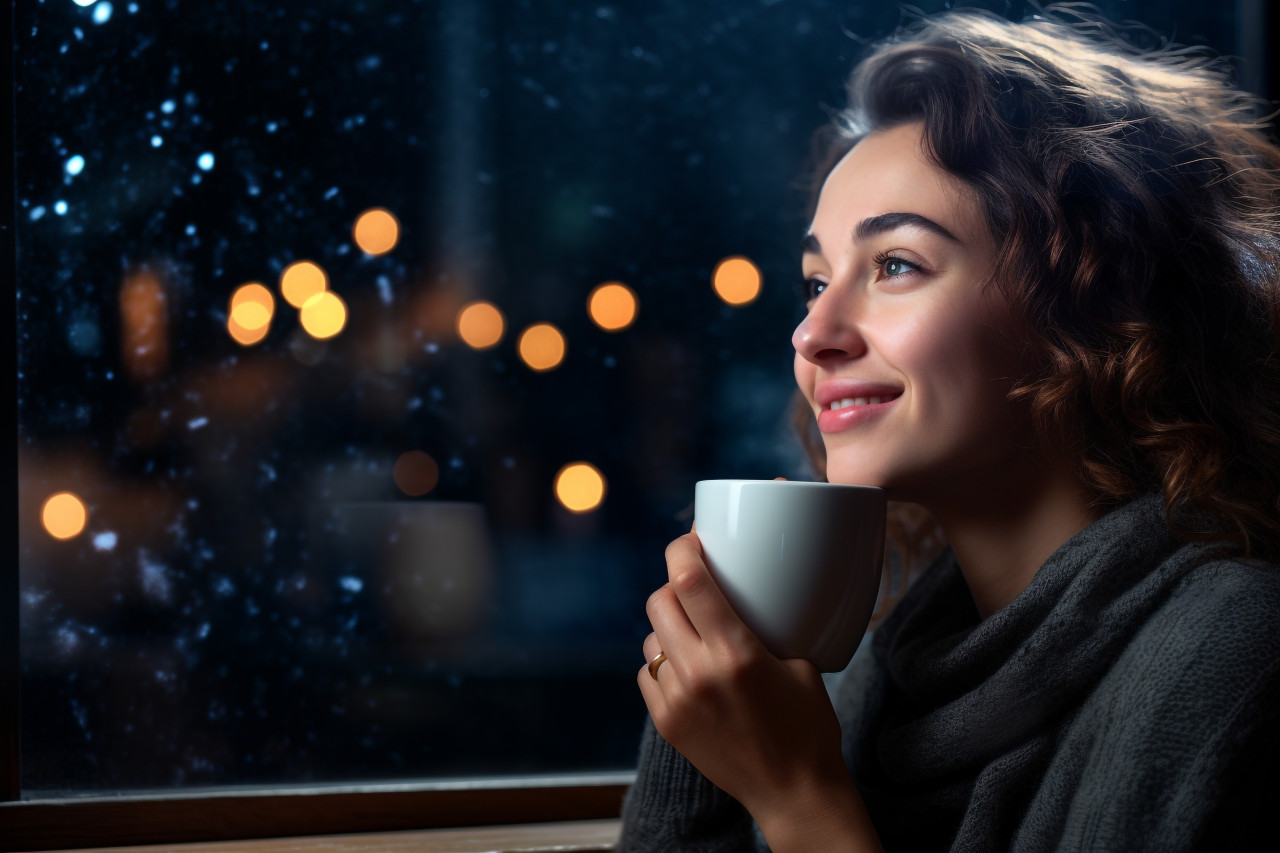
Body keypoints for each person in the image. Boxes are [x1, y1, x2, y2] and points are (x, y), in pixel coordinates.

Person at [616, 7, 1280, 852]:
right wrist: (703, 724)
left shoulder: (1233, 651)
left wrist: (797, 797)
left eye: (895, 264)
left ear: (1087, 304)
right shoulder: (875, 672)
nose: (813, 334)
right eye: (816, 282)